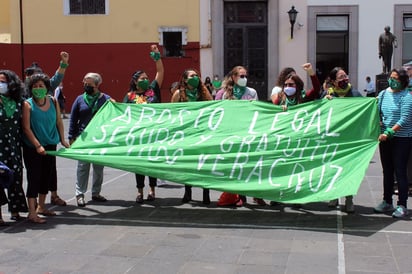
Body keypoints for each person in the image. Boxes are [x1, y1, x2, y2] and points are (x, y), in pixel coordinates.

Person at [22, 73, 70, 223]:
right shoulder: (27, 104)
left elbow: (59, 122)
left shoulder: (53, 101)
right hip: (33, 148)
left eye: (41, 86)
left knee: (46, 176)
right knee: (34, 177)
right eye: (35, 86)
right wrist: (37, 146)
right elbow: (26, 128)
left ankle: (41, 206)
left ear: (46, 88)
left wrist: (63, 139)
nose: (38, 89)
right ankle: (32, 212)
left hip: (50, 145)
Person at [215, 65, 266, 206]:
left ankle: (256, 194)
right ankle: (238, 195)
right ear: (233, 77)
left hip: (248, 132)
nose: (244, 78)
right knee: (235, 164)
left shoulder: (252, 92)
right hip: (230, 133)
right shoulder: (223, 94)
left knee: (249, 164)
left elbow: (257, 111)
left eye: (245, 76)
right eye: (241, 76)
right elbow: (217, 112)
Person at [122, 45, 164, 203]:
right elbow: (123, 113)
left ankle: (152, 190)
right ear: (135, 81)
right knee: (138, 164)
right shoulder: (129, 96)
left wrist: (157, 57)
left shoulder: (153, 90)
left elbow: (160, 72)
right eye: (143, 79)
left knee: (152, 163)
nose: (146, 80)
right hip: (137, 136)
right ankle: (140, 191)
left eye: (147, 78)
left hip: (154, 134)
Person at [68, 72, 114, 207]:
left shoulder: (105, 99)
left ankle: (96, 193)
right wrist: (71, 136)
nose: (86, 86)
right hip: (84, 138)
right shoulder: (79, 99)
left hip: (100, 138)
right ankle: (79, 194)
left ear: (97, 84)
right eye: (85, 84)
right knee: (83, 167)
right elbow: (73, 118)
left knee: (99, 167)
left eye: (89, 84)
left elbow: (116, 109)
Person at [374, 69, 412, 218]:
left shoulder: (406, 97)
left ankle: (402, 205)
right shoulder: (383, 94)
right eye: (391, 77)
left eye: (395, 78)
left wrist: (389, 132)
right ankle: (387, 201)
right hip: (385, 138)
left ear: (403, 82)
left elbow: (404, 119)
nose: (392, 80)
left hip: (402, 138)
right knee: (387, 171)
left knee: (400, 171)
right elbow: (376, 111)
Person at [171, 69, 212, 204]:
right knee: (189, 164)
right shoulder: (178, 94)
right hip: (186, 134)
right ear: (185, 79)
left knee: (204, 164)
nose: (196, 77)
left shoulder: (205, 93)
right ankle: (188, 192)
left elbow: (213, 109)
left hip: (202, 133)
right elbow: (172, 114)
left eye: (197, 75)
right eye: (192, 76)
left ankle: (206, 193)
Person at [324, 67, 362, 213]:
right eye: (340, 77)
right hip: (332, 140)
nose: (344, 79)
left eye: (345, 76)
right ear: (333, 81)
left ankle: (349, 199)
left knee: (348, 171)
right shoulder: (327, 95)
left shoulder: (355, 94)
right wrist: (325, 102)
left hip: (350, 140)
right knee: (333, 169)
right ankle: (334, 196)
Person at [0, 70, 29, 224]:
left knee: (15, 177)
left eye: (3, 81)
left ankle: (15, 210)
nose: (1, 85)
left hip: (13, 145)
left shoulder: (20, 102)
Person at [157, 81, 179, 187]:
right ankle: (161, 177)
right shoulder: (169, 104)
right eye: (174, 89)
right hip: (170, 131)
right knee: (165, 154)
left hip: (177, 131)